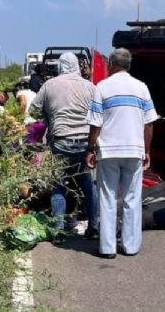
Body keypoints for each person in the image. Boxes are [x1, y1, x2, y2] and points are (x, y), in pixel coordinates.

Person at [85, 48, 157, 259]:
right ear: (128, 65)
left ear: (112, 64)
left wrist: (90, 149)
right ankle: (130, 245)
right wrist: (147, 150)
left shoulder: (102, 87)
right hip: (134, 150)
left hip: (108, 151)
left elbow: (95, 124)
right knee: (132, 198)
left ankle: (107, 248)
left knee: (107, 198)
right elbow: (149, 124)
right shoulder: (141, 87)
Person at [31, 52, 99, 244]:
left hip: (61, 143)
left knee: (59, 187)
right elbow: (98, 114)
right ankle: (93, 227)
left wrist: (49, 114)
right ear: (77, 65)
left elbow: (34, 110)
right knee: (88, 185)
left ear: (60, 66)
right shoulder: (90, 86)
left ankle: (59, 231)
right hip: (85, 143)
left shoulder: (49, 85)